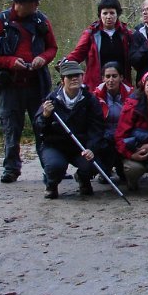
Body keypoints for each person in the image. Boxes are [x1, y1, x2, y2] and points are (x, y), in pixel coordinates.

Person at [0, 0, 58, 184]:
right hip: (10, 85)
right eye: (34, 1)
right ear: (20, 3)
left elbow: (52, 48)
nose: (37, 5)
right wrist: (10, 62)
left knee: (43, 127)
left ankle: (50, 167)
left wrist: (43, 58)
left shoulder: (42, 21)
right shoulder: (0, 23)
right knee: (11, 128)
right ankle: (11, 169)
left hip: (36, 84)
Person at [33, 60, 105, 199]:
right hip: (55, 146)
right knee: (55, 166)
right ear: (62, 80)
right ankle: (51, 184)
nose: (74, 79)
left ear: (82, 77)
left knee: (94, 163)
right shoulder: (51, 100)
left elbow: (97, 128)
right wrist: (45, 116)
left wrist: (91, 148)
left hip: (80, 146)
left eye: (77, 75)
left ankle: (83, 179)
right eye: (69, 76)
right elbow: (39, 127)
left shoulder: (90, 100)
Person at [65, 0, 134, 89]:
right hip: (96, 85)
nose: (108, 17)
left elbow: (135, 57)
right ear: (100, 15)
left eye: (112, 13)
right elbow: (78, 53)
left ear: (117, 14)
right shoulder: (91, 33)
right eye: (105, 13)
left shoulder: (126, 33)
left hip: (121, 84)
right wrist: (66, 63)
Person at [92, 61, 132, 180]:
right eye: (107, 76)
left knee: (126, 176)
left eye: (114, 76)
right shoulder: (95, 96)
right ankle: (105, 169)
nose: (111, 80)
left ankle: (122, 168)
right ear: (103, 78)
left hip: (125, 134)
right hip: (104, 136)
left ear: (121, 77)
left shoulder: (131, 95)